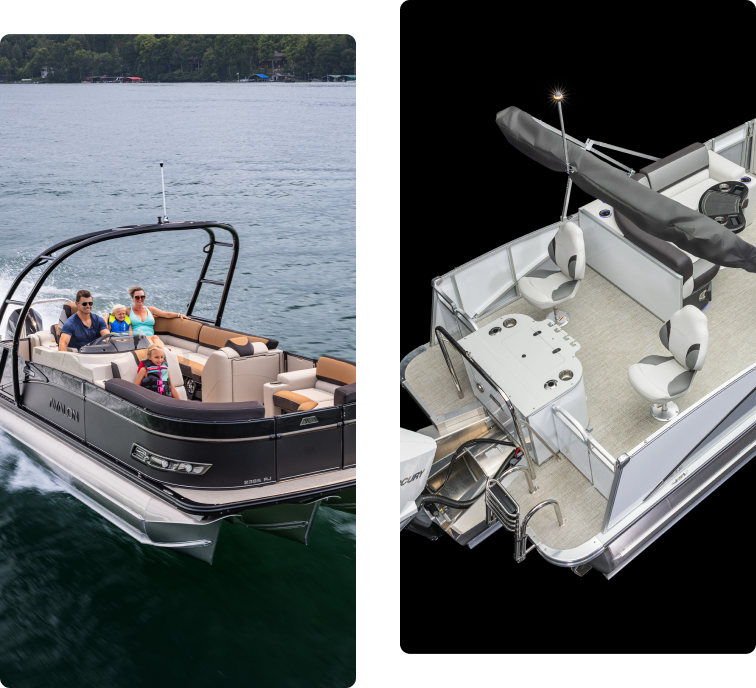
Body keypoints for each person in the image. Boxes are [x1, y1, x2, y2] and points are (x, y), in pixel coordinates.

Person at [127, 285, 191, 347]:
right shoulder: (127, 311)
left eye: (142, 297)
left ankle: (164, 350)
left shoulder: (150, 309)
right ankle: (158, 350)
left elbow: (166, 314)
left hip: (152, 336)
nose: (140, 299)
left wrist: (179, 314)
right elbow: (117, 315)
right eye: (137, 297)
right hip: (138, 338)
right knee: (149, 340)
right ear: (132, 298)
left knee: (155, 337)